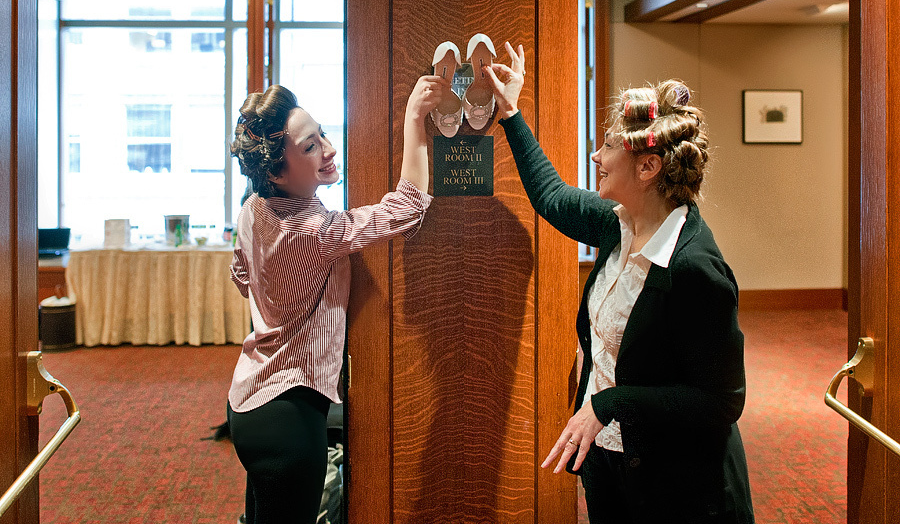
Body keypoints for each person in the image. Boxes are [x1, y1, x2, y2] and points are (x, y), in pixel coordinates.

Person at [484, 43, 754, 524]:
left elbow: (722, 401)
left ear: (647, 168)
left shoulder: (694, 269)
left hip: (681, 489)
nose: (596, 155)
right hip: (612, 464)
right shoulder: (618, 223)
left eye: (608, 146)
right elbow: (552, 196)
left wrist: (611, 404)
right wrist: (510, 113)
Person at [226, 76, 448, 524]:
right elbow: (407, 207)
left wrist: (281, 302)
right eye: (309, 147)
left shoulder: (254, 207)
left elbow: (240, 273)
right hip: (289, 413)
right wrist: (413, 117)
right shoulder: (313, 231)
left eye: (322, 133)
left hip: (248, 402)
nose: (328, 149)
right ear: (275, 171)